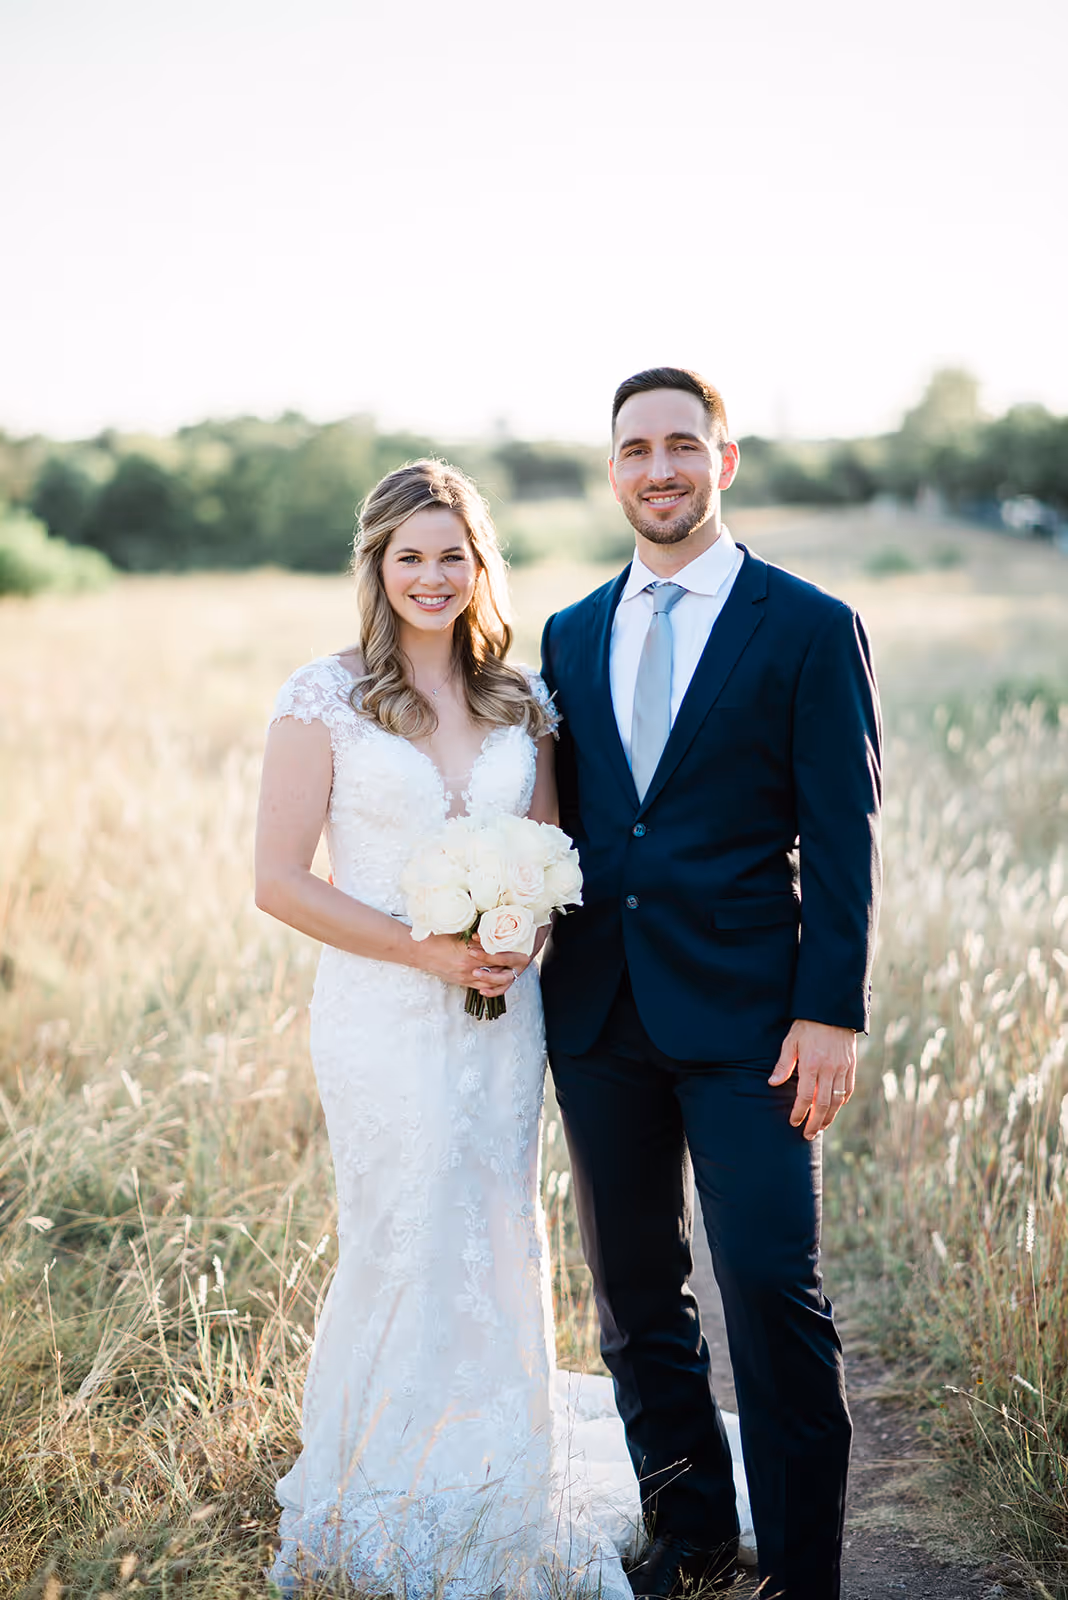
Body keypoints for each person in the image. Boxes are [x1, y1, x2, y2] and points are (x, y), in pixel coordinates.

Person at [255, 459, 747, 1596]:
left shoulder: (522, 699)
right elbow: (281, 881)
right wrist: (423, 949)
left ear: (483, 566)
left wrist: (517, 934)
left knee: (493, 1224)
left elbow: (552, 857)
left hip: (499, 1016)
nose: (433, 576)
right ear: (376, 567)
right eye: (410, 556)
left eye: (453, 555)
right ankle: (386, 1483)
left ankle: (501, 1481)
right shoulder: (320, 697)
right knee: (405, 1223)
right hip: (382, 1012)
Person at [539, 368, 883, 1600]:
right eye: (636, 450)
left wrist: (832, 1007)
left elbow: (845, 835)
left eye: (683, 444)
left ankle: (804, 1576)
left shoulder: (805, 622)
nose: (659, 469)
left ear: (724, 460)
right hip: (599, 1016)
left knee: (774, 1299)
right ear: (613, 469)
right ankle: (690, 1539)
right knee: (637, 1298)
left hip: (756, 1023)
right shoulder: (572, 631)